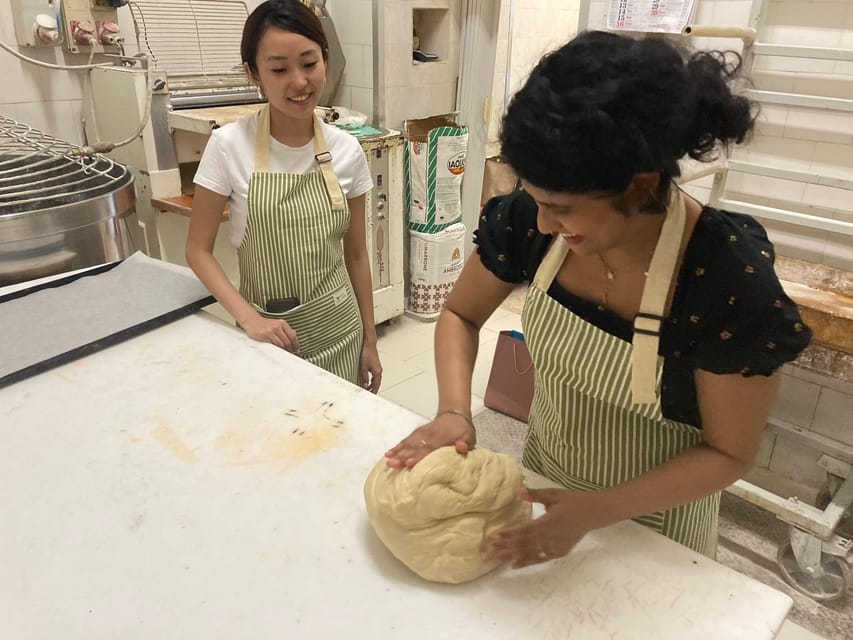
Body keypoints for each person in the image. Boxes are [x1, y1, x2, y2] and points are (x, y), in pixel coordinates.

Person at [385, 31, 812, 565]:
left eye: (562, 207)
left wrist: (593, 511)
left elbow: (729, 452)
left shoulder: (724, 281)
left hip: (658, 531)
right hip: (543, 486)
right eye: (536, 199)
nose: (543, 222)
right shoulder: (534, 225)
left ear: (639, 184)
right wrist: (454, 411)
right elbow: (460, 314)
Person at [186, 0, 382, 392]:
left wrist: (370, 338)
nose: (299, 82)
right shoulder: (227, 146)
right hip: (270, 337)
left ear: (325, 59)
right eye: (279, 69)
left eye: (309, 64)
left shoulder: (347, 151)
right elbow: (197, 251)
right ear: (253, 73)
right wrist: (248, 319)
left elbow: (357, 254)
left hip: (339, 333)